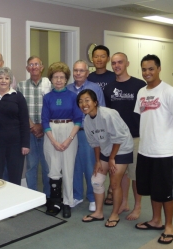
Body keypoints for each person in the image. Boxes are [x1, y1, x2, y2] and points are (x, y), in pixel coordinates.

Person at [134, 54, 173, 245]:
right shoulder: (141, 92)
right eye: (144, 69)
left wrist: (166, 136)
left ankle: (169, 226)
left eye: (151, 69)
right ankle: (156, 221)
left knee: (165, 192)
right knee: (152, 189)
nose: (147, 72)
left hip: (165, 152)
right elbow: (143, 118)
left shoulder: (170, 92)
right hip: (145, 150)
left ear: (159, 69)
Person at [78, 89, 133, 228]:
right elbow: (95, 143)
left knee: (115, 183)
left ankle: (114, 214)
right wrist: (97, 161)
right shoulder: (87, 121)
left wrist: (112, 158)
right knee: (96, 180)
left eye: (87, 100)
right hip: (106, 148)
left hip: (122, 148)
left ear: (95, 102)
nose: (83, 104)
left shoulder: (108, 114)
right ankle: (98, 212)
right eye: (80, 101)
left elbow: (119, 138)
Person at [103, 52, 146, 220]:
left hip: (135, 137)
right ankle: (124, 203)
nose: (116, 66)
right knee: (121, 175)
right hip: (117, 140)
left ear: (127, 63)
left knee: (136, 175)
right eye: (113, 63)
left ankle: (137, 206)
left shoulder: (139, 85)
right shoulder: (108, 88)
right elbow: (106, 114)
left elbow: (145, 112)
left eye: (120, 62)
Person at [42, 62, 83, 218]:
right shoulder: (47, 97)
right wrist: (53, 140)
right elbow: (44, 120)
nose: (58, 80)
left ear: (66, 79)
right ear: (51, 79)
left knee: (68, 169)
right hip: (51, 133)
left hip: (69, 131)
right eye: (55, 77)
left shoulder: (73, 96)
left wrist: (68, 140)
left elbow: (78, 119)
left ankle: (67, 202)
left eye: (62, 77)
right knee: (53, 168)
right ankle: (55, 201)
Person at [67, 60, 105, 212]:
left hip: (88, 133)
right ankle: (77, 195)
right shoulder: (68, 88)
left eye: (81, 71)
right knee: (74, 165)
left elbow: (101, 111)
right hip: (71, 133)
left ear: (87, 73)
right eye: (75, 70)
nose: (78, 73)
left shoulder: (94, 88)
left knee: (90, 166)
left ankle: (92, 197)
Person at [0, 67, 30, 185]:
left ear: (10, 81)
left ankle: (14, 201)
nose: (3, 80)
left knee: (15, 176)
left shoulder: (18, 96)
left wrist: (25, 144)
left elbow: (24, 121)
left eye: (7, 78)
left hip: (15, 144)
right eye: (0, 78)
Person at [17, 56, 52, 199]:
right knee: (31, 165)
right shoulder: (21, 86)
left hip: (48, 131)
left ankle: (48, 196)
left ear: (42, 67)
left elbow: (53, 107)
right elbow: (20, 108)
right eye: (31, 64)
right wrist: (33, 126)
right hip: (29, 131)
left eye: (37, 64)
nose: (34, 67)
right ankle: (33, 196)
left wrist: (42, 126)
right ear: (27, 68)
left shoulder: (50, 84)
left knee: (47, 165)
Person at [88, 45, 116, 206]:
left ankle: (112, 190)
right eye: (96, 56)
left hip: (111, 123)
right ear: (92, 59)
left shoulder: (113, 77)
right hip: (96, 124)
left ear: (108, 58)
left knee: (112, 159)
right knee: (100, 159)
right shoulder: (89, 78)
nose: (99, 59)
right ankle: (99, 190)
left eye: (102, 56)